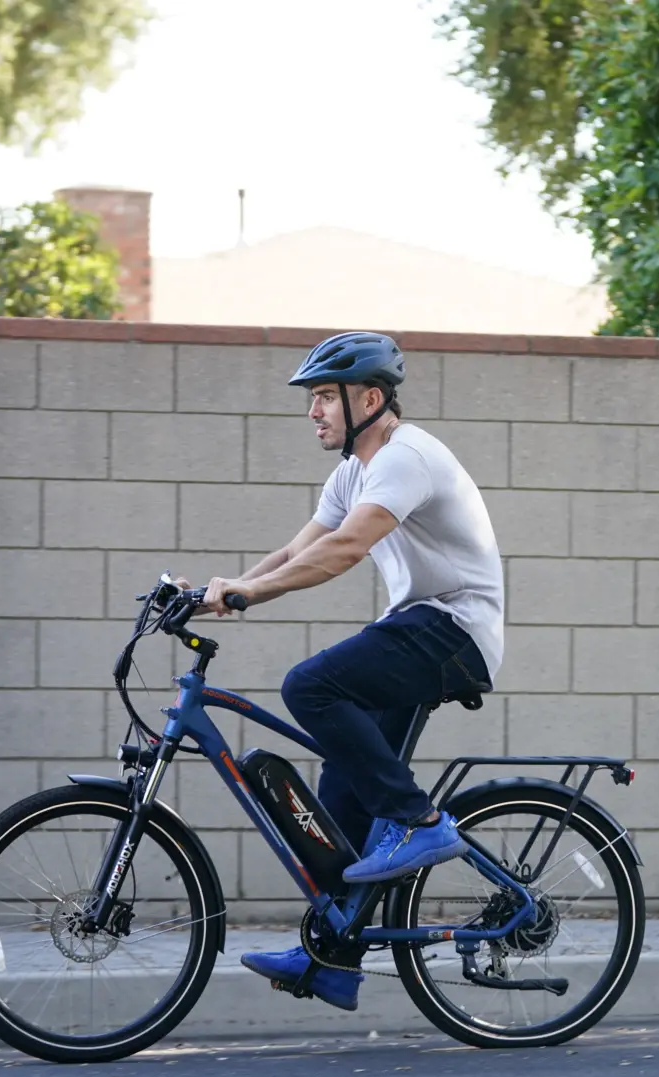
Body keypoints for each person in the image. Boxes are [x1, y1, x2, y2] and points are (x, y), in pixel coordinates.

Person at [178, 330, 504, 1010]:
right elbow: (303, 546)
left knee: (309, 685)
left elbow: (347, 550)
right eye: (314, 398)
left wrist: (249, 593)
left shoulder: (406, 458)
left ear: (372, 398)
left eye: (325, 396)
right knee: (343, 801)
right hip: (418, 627)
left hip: (453, 630)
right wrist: (223, 589)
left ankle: (419, 821)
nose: (314, 412)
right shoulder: (353, 470)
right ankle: (333, 960)